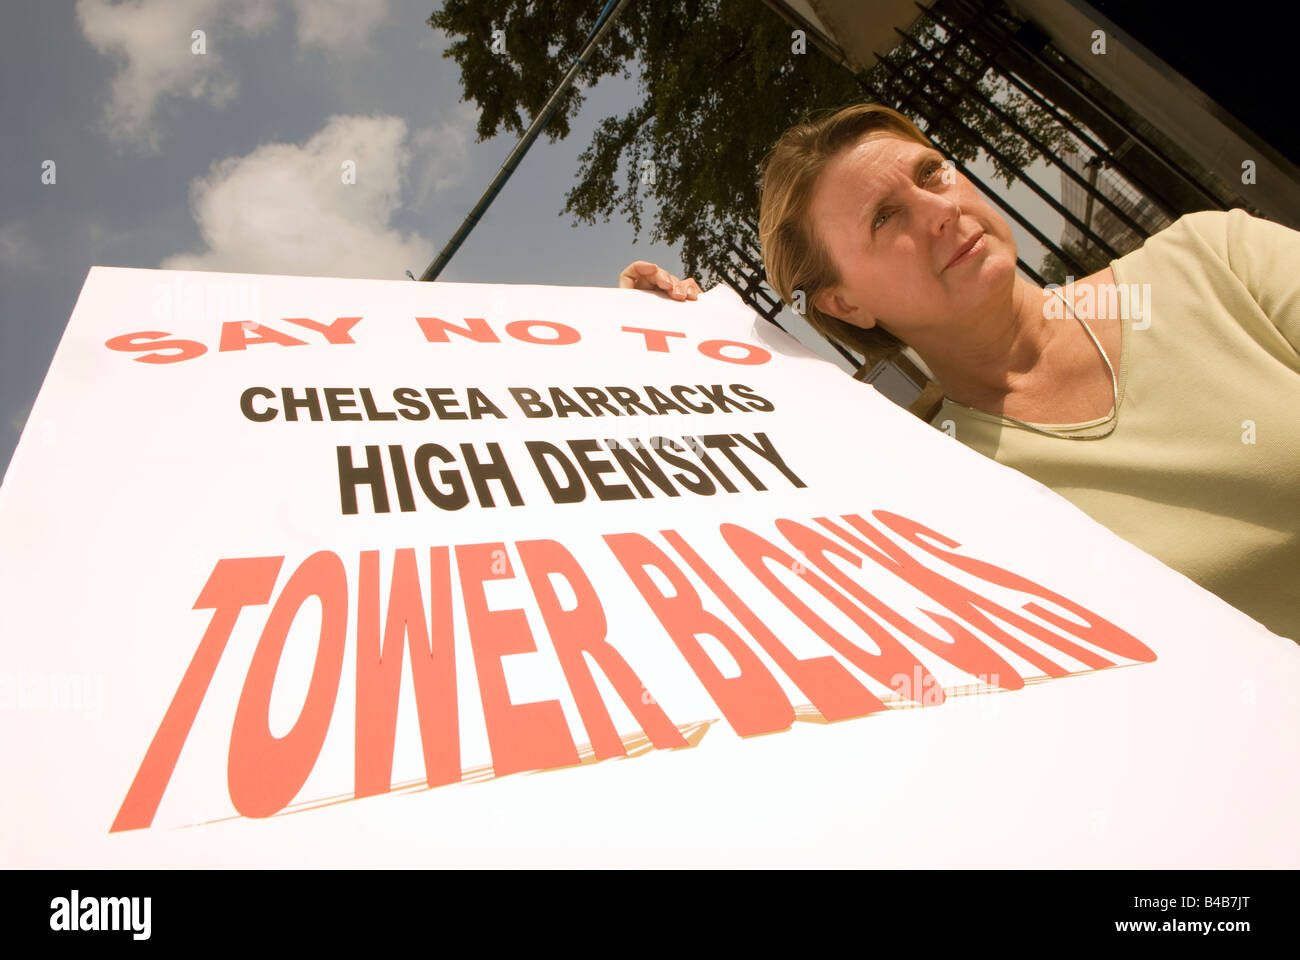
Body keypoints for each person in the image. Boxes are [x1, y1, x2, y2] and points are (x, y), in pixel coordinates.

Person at [619, 103, 1300, 642]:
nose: (941, 212)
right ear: (845, 304)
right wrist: (663, 351)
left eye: (931, 173)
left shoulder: (1215, 260)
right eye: (886, 218)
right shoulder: (936, 487)